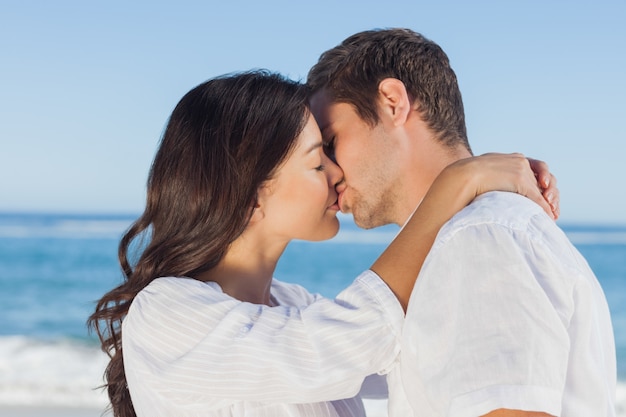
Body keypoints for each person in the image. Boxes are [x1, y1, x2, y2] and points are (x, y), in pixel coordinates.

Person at [88, 70, 558, 417]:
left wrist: (495, 200)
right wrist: (459, 180)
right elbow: (351, 338)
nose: (338, 175)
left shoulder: (293, 304)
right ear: (251, 190)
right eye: (318, 162)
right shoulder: (167, 311)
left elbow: (423, 344)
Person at [307, 28, 616, 416]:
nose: (328, 171)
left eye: (331, 142)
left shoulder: (477, 238)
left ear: (391, 102)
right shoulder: (479, 233)